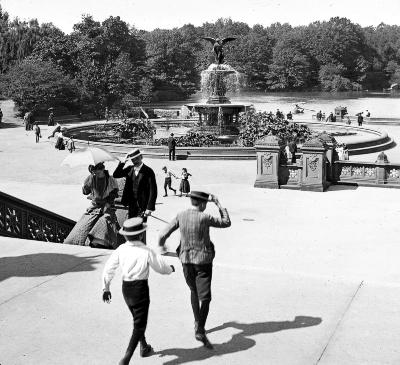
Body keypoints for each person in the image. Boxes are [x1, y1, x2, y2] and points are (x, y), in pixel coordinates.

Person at [158, 191, 231, 349]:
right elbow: (226, 222)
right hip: (203, 261)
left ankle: (196, 322)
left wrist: (162, 245)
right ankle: (200, 327)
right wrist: (218, 204)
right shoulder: (205, 217)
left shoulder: (181, 215)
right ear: (204, 204)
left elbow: (163, 234)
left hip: (186, 260)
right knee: (205, 298)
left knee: (193, 291)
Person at [102, 217, 175, 365]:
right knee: (139, 324)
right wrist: (170, 269)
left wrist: (106, 287)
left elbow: (109, 268)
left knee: (136, 318)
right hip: (140, 289)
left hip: (126, 289)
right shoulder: (146, 251)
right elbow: (160, 268)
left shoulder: (120, 249)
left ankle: (144, 346)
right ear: (141, 234)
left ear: (125, 235)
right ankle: (126, 358)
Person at [64, 162, 121, 248]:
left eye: (97, 173)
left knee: (105, 220)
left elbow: (113, 194)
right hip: (94, 207)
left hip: (107, 206)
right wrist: (84, 185)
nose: (96, 175)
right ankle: (76, 241)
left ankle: (98, 241)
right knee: (83, 225)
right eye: (94, 173)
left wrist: (107, 204)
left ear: (102, 169)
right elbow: (85, 192)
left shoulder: (110, 179)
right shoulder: (91, 177)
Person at [113, 148, 157, 221]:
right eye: (133, 159)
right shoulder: (129, 169)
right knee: (131, 226)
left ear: (141, 157)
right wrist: (123, 162)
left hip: (143, 205)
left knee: (141, 228)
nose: (135, 160)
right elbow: (116, 175)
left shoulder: (148, 171)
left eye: (137, 158)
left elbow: (153, 190)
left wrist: (149, 208)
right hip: (131, 204)